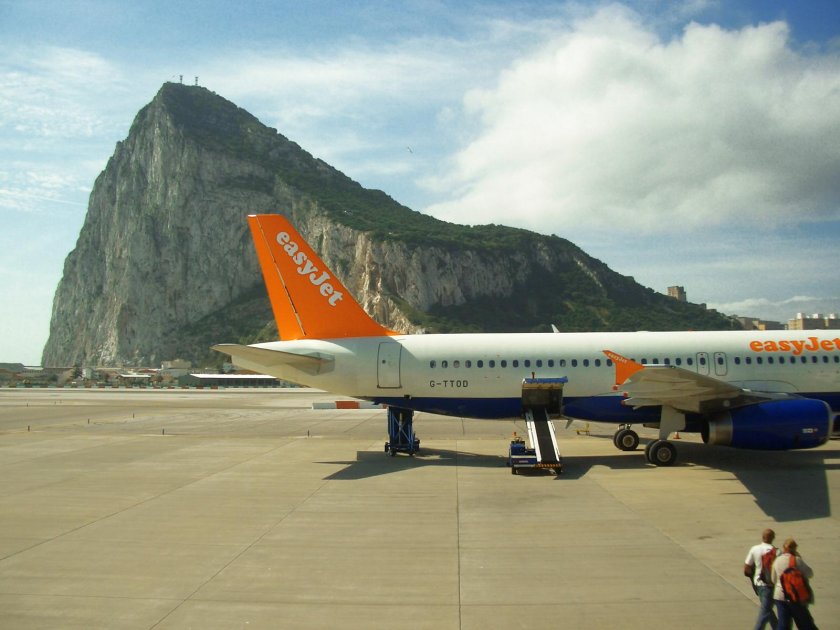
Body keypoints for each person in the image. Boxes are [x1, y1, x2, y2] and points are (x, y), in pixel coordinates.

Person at [771, 538, 817, 630]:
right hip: (795, 596)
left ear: (784, 548)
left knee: (783, 624)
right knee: (805, 623)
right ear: (795, 548)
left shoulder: (777, 561)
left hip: (780, 596)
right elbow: (810, 574)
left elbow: (773, 579)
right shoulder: (796, 560)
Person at [744, 528, 778, 630]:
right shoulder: (777, 551)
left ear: (763, 537)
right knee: (765, 612)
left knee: (767, 609)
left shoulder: (754, 549)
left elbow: (746, 568)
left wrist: (754, 576)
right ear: (773, 538)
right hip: (772, 585)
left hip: (759, 584)